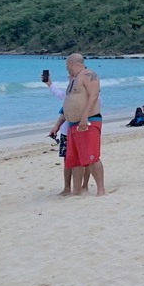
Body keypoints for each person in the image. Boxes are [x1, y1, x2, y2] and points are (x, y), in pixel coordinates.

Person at [53, 53, 105, 196]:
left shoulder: (88, 74)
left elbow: (94, 95)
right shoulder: (73, 80)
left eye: (66, 67)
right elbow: (68, 103)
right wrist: (58, 125)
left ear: (71, 64)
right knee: (75, 160)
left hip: (88, 121)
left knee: (92, 157)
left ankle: (101, 190)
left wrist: (84, 116)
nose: (66, 70)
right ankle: (76, 191)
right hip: (72, 124)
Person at [45, 70, 90, 196]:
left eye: (70, 75)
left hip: (81, 130)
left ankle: (84, 186)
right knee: (68, 160)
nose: (68, 77)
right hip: (66, 132)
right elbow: (62, 107)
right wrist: (49, 84)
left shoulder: (87, 92)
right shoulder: (69, 93)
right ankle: (67, 188)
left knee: (85, 160)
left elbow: (97, 104)